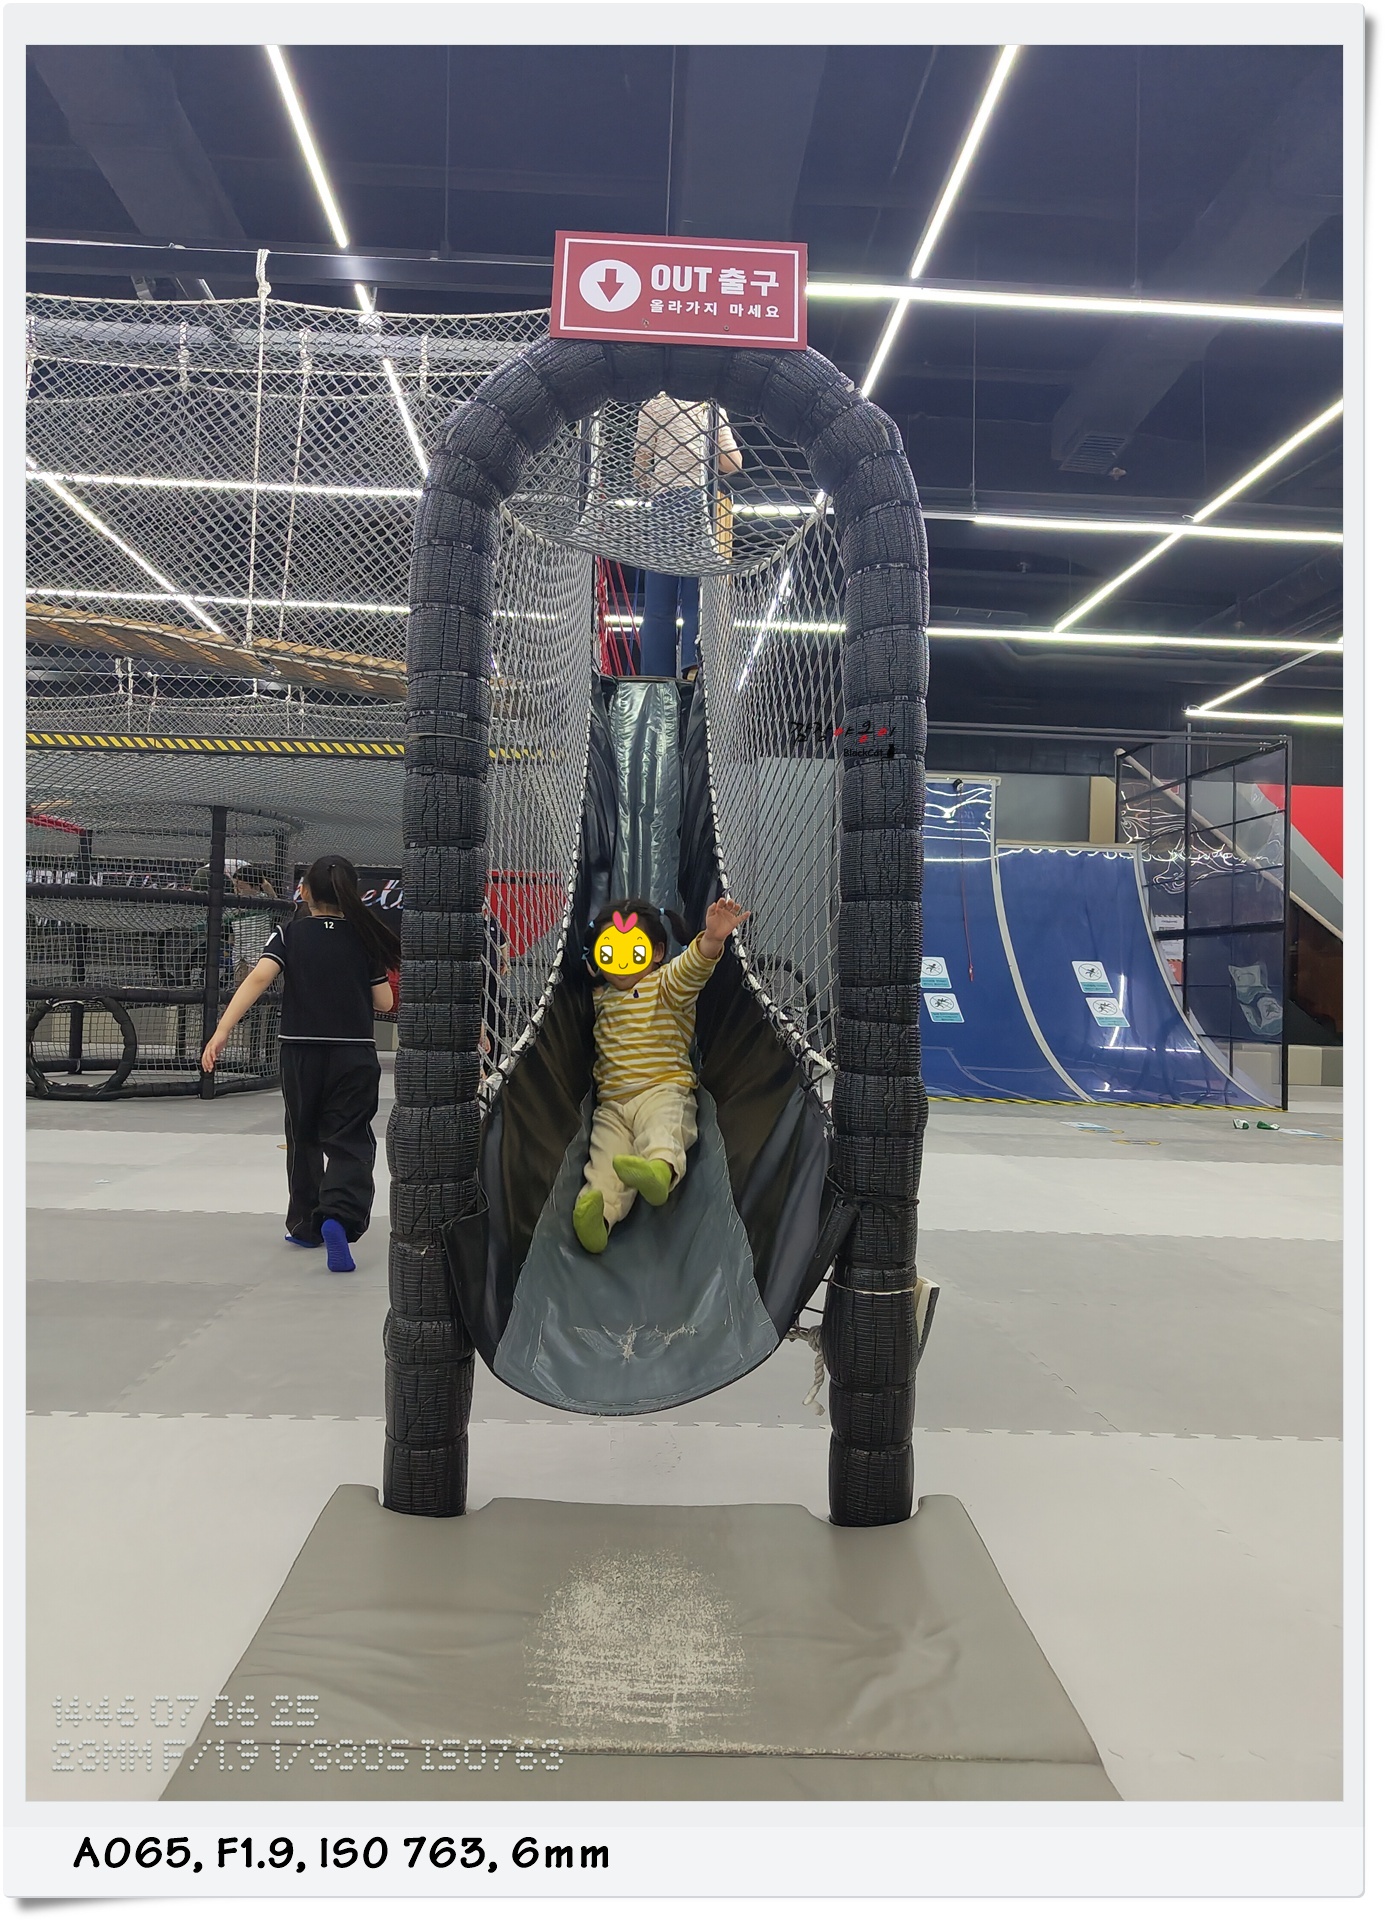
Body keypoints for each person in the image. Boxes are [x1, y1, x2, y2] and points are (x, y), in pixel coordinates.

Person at [200, 853, 399, 1274]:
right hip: (353, 1052)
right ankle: (338, 1217)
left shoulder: (289, 933)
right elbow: (385, 1001)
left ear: (304, 892)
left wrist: (221, 1031)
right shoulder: (364, 937)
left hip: (299, 1051)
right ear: (352, 894)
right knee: (350, 1139)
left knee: (303, 1135)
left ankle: (306, 1224)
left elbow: (259, 977)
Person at [572, 892, 750, 1255]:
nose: (620, 962)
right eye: (610, 953)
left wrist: (712, 938)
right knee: (603, 1158)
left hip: (662, 1089)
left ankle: (658, 1171)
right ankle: (598, 1218)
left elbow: (692, 968)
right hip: (612, 1105)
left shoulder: (666, 986)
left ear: (655, 953)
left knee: (663, 1129)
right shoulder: (602, 998)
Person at [633, 393, 741, 677]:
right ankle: (693, 665)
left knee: (659, 602)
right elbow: (733, 462)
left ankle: (656, 677)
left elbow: (640, 467)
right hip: (700, 502)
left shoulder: (654, 404)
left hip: (664, 503)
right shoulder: (710, 405)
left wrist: (650, 481)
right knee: (695, 594)